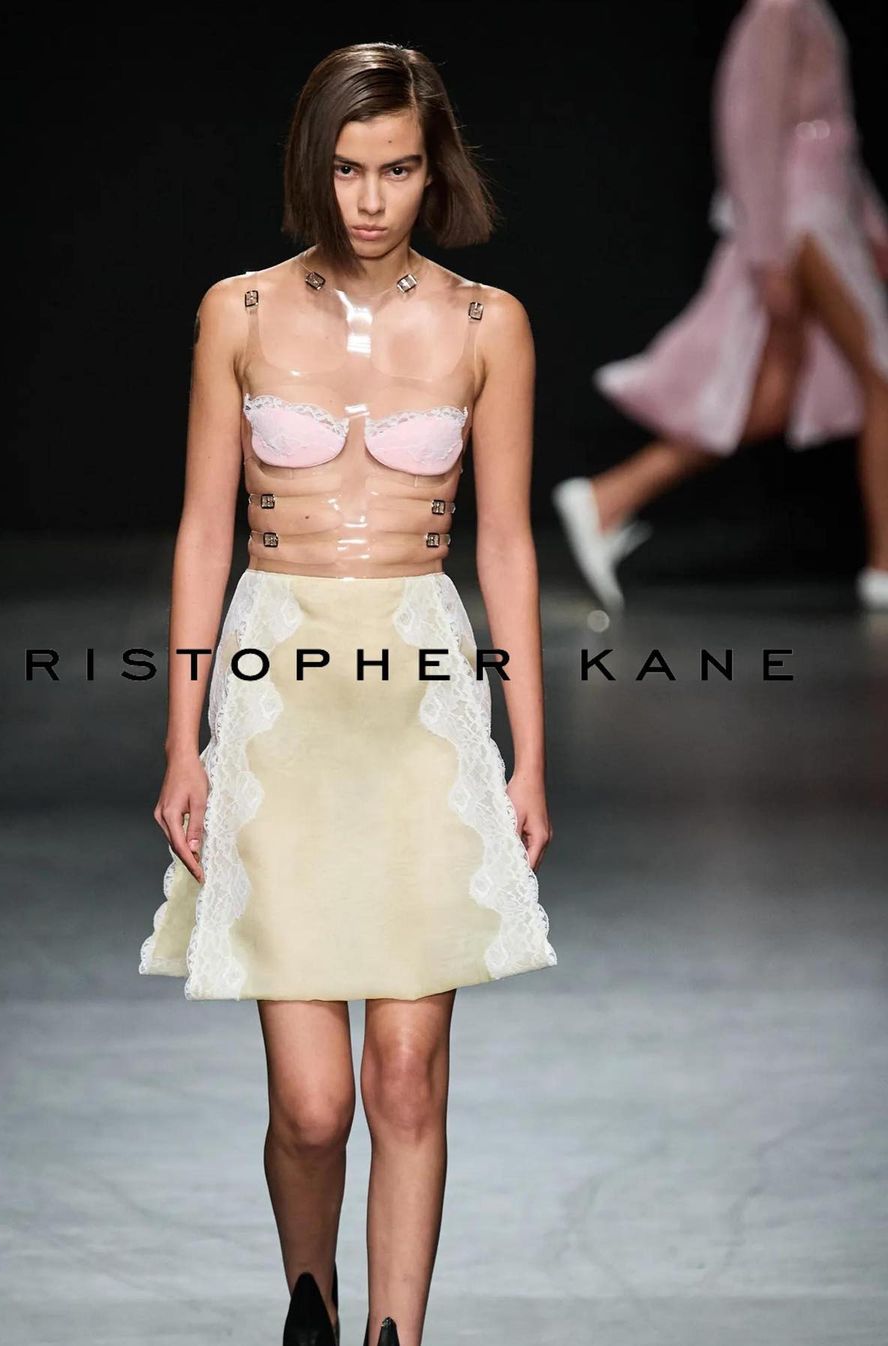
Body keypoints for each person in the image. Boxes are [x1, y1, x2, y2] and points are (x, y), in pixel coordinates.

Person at [138, 41, 557, 1346]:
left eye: (398, 169)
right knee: (315, 1104)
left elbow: (506, 545)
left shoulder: (488, 325)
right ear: (311, 167)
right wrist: (183, 744)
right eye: (348, 169)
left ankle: (393, 1335)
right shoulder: (240, 312)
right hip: (282, 701)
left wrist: (529, 755)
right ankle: (309, 1296)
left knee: (407, 1077)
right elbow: (203, 533)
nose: (371, 199)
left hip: (422, 702)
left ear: (436, 170)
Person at [553, 0, 888, 613]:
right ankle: (884, 568)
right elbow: (750, 131)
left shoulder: (806, 10)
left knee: (775, 395)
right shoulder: (779, 10)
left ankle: (609, 497)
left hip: (825, 211)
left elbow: (836, 134)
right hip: (802, 218)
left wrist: (871, 226)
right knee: (881, 375)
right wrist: (767, 254)